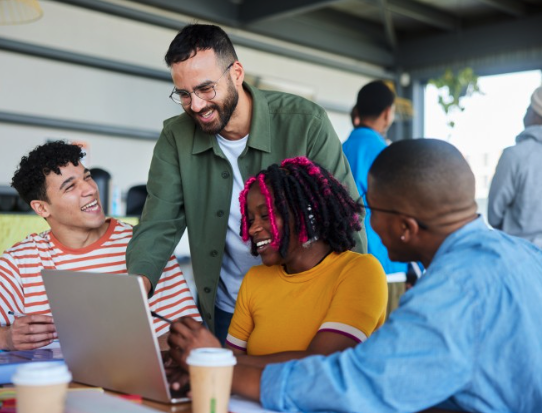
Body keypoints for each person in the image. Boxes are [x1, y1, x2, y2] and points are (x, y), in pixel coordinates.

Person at [176, 139, 542, 412]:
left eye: (373, 209)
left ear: (405, 227)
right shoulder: (532, 258)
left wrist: (220, 372)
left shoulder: (453, 289)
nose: (367, 223)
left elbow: (358, 386)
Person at [126, 24, 366, 344]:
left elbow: (344, 218)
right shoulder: (175, 138)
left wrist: (355, 300)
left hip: (305, 302)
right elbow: (159, 222)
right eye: (183, 94)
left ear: (236, 73)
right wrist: (133, 293)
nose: (196, 105)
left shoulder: (305, 122)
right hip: (227, 309)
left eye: (206, 89)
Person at [0, 141, 200, 351]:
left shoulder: (147, 245)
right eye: (70, 186)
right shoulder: (24, 260)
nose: (90, 190)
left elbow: (192, 336)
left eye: (87, 177)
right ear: (42, 208)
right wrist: (6, 337)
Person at [168, 157, 387, 369]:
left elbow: (319, 364)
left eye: (266, 215)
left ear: (306, 213)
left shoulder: (360, 271)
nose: (253, 229)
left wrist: (216, 361)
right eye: (250, 219)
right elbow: (231, 364)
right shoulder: (255, 279)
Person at [488, 85, 542, 289]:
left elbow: (494, 216)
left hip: (518, 265)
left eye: (529, 108)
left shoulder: (515, 155)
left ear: (537, 114)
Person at [342, 80, 409, 278]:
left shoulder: (337, 151)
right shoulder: (388, 155)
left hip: (343, 265)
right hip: (385, 265)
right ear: (388, 113)